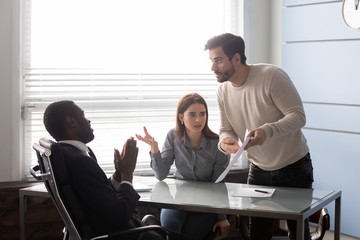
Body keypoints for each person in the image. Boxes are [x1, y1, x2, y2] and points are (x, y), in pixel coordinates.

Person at [204, 33, 314, 240]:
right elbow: (225, 129)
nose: (212, 68)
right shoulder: (223, 91)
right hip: (258, 170)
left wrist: (266, 131)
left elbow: (298, 116)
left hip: (293, 167)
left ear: (236, 58)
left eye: (218, 60)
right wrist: (224, 142)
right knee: (258, 234)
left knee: (298, 233)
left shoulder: (271, 76)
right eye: (211, 61)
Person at [43, 100, 189, 240]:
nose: (88, 121)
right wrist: (127, 174)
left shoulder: (70, 155)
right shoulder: (80, 162)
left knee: (163, 227)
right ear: (71, 122)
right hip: (121, 234)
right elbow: (119, 216)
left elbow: (100, 195)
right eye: (83, 115)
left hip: (109, 228)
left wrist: (118, 175)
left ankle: (150, 223)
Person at [136, 93, 231, 240]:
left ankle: (152, 225)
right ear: (181, 117)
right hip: (178, 202)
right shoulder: (172, 136)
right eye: (192, 115)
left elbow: (218, 185)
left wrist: (222, 217)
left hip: (205, 206)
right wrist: (154, 149)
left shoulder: (218, 143)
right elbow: (161, 175)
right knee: (170, 228)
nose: (198, 120)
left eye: (202, 114)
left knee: (185, 235)